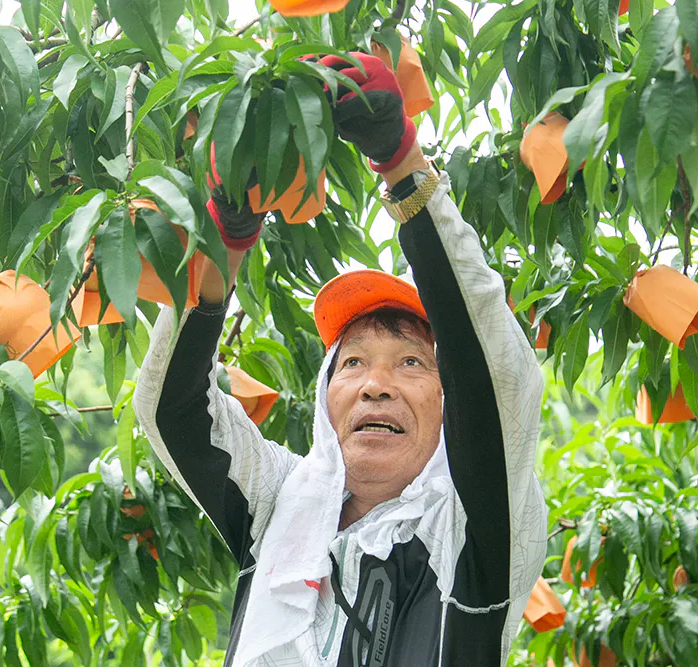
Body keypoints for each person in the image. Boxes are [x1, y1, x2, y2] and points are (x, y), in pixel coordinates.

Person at [134, 52, 547, 666]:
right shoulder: (279, 502)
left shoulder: (476, 530)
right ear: (325, 400)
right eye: (352, 363)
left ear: (449, 405)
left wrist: (402, 163)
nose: (375, 384)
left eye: (411, 363)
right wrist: (227, 240)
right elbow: (172, 410)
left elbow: (496, 375)